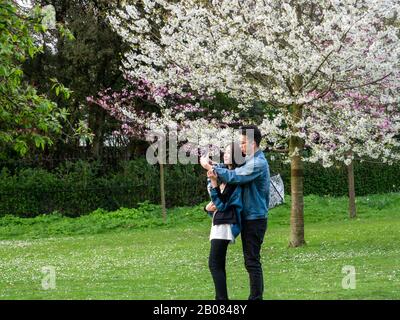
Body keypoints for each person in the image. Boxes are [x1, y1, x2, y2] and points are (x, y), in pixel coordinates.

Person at [201, 125, 270, 300]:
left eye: (243, 143)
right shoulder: (248, 161)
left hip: (255, 219)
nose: (241, 147)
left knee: (252, 261)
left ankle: (255, 298)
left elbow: (235, 176)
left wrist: (210, 167)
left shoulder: (258, 163)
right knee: (247, 261)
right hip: (245, 217)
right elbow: (232, 172)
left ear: (253, 143)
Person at [203, 142, 244, 300]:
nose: (224, 155)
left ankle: (221, 300)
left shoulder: (234, 180)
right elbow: (216, 206)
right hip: (219, 224)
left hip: (225, 226)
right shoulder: (226, 175)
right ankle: (220, 298)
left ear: (235, 156)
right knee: (217, 265)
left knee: (214, 264)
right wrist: (207, 209)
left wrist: (214, 183)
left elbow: (222, 205)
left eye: (228, 152)